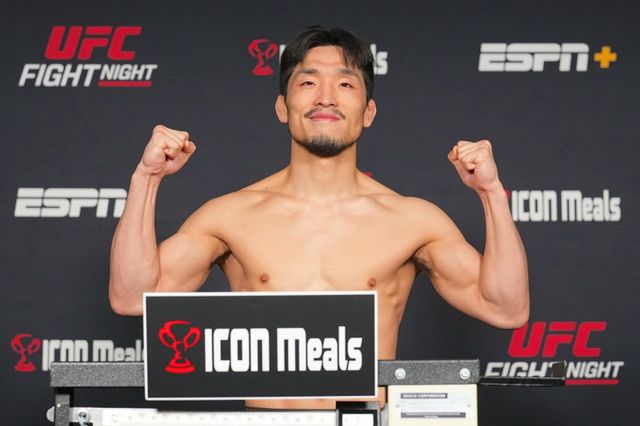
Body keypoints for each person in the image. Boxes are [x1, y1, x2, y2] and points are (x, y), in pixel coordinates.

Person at [109, 26, 529, 409]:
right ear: (282, 106)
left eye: (345, 84)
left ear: (368, 112)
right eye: (308, 82)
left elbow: (506, 308)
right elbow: (131, 297)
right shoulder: (230, 215)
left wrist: (491, 193)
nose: (326, 97)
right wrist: (147, 178)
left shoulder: (413, 220)